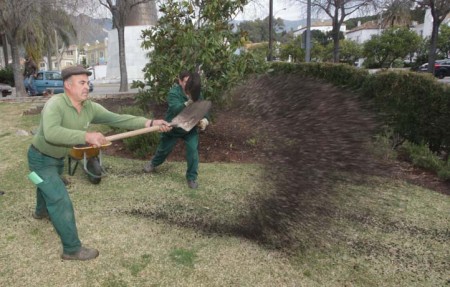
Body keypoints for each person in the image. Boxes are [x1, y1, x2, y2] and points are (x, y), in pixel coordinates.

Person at [27, 65, 171, 261]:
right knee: (59, 198)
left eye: (88, 82)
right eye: (82, 82)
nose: (87, 86)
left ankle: (40, 213)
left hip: (58, 159)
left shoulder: (89, 107)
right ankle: (72, 249)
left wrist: (150, 123)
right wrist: (86, 135)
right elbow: (52, 133)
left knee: (45, 185)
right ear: (68, 85)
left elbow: (118, 119)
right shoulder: (55, 104)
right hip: (40, 159)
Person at [143, 71, 209, 189]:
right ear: (180, 81)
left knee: (193, 151)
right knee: (164, 150)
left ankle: (191, 178)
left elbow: (203, 109)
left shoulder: (197, 93)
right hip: (172, 127)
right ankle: (153, 163)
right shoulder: (174, 92)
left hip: (189, 128)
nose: (187, 85)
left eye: (189, 82)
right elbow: (175, 109)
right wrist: (188, 102)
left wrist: (205, 120)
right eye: (185, 82)